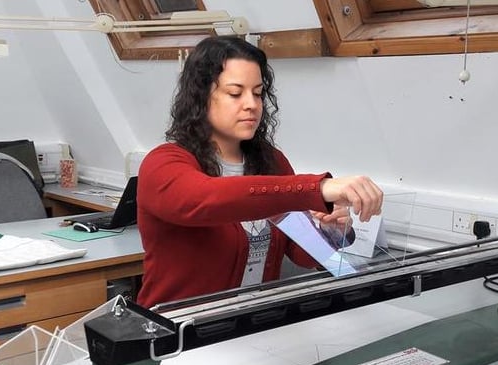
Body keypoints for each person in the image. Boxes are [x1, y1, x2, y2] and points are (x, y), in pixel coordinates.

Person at [136, 35, 383, 310]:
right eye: (235, 93)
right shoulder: (163, 163)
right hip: (175, 327)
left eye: (257, 93)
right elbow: (205, 200)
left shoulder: (272, 162)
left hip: (252, 324)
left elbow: (301, 254)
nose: (251, 104)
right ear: (200, 96)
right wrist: (319, 188)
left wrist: (330, 230)